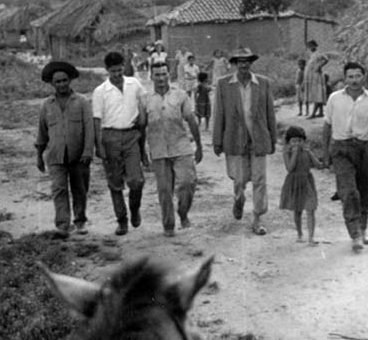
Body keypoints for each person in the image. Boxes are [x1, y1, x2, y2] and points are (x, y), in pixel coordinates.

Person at [322, 61, 368, 252]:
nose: (354, 80)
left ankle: (363, 228)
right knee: (349, 192)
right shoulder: (335, 98)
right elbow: (327, 126)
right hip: (341, 149)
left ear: (363, 77)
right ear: (345, 78)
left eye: (358, 76)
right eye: (350, 76)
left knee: (364, 190)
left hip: (363, 148)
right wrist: (326, 153)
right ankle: (355, 234)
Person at [213, 47, 277, 236]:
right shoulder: (224, 85)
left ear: (251, 63)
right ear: (235, 63)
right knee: (239, 180)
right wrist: (218, 140)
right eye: (240, 61)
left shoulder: (263, 83)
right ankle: (238, 199)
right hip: (235, 138)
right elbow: (219, 114)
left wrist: (272, 139)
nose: (244, 65)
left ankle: (258, 218)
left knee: (259, 180)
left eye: (247, 61)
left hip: (258, 138)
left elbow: (270, 113)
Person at [144, 61, 203, 237]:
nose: (161, 78)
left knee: (188, 182)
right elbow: (141, 126)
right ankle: (168, 225)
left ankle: (183, 212)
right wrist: (142, 152)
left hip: (181, 147)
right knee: (164, 190)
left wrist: (199, 146)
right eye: (157, 75)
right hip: (158, 149)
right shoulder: (145, 99)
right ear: (152, 77)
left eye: (164, 74)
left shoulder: (181, 95)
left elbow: (191, 120)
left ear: (169, 75)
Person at [35, 61, 94, 237]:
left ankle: (80, 221)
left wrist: (87, 151)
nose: (62, 84)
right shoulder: (47, 105)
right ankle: (62, 225)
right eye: (58, 81)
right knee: (59, 189)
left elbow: (89, 129)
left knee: (80, 189)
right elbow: (42, 133)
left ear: (70, 81)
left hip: (79, 156)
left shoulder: (82, 102)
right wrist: (39, 156)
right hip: (55, 157)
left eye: (64, 80)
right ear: (52, 84)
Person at [92, 51, 148, 236]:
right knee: (115, 183)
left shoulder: (134, 84)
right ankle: (122, 220)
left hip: (132, 135)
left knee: (136, 180)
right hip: (110, 137)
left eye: (119, 69)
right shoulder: (101, 91)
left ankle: (134, 209)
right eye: (113, 71)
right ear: (107, 70)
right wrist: (99, 145)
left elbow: (144, 103)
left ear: (124, 66)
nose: (117, 74)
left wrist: (142, 119)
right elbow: (97, 120)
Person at [279, 125, 322, 245]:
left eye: (299, 141)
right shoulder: (287, 153)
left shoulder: (306, 151)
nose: (297, 143)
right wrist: (295, 153)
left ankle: (311, 238)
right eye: (294, 141)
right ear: (289, 142)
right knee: (297, 210)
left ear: (304, 141)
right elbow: (290, 168)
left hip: (307, 181)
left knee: (311, 209)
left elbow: (318, 165)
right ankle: (299, 233)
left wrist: (310, 153)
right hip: (294, 182)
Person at [303, 40, 329, 119]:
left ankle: (313, 113)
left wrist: (319, 66)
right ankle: (320, 112)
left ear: (314, 46)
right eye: (309, 47)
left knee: (318, 93)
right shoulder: (313, 54)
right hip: (313, 76)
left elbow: (326, 59)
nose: (309, 48)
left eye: (310, 46)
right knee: (317, 93)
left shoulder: (318, 53)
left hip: (317, 76)